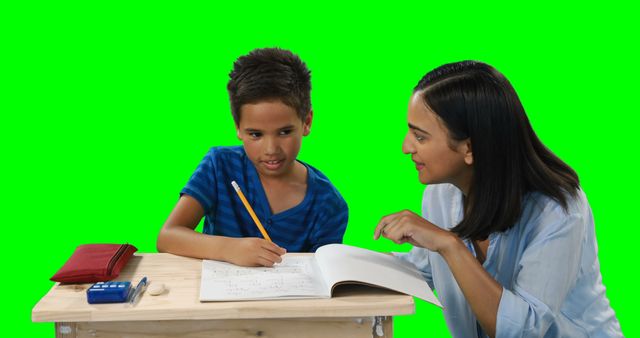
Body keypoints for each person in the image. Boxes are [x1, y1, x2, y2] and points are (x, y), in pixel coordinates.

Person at [374, 61, 622, 337]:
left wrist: (450, 245)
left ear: (469, 148)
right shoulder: (440, 195)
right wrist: (345, 270)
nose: (406, 147)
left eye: (420, 136)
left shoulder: (558, 211)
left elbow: (523, 331)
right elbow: (423, 269)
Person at [157, 48, 348, 267]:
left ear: (307, 122)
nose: (271, 149)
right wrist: (230, 249)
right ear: (238, 128)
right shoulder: (219, 165)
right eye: (256, 134)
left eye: (284, 132)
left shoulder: (328, 204)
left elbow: (324, 277)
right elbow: (167, 236)